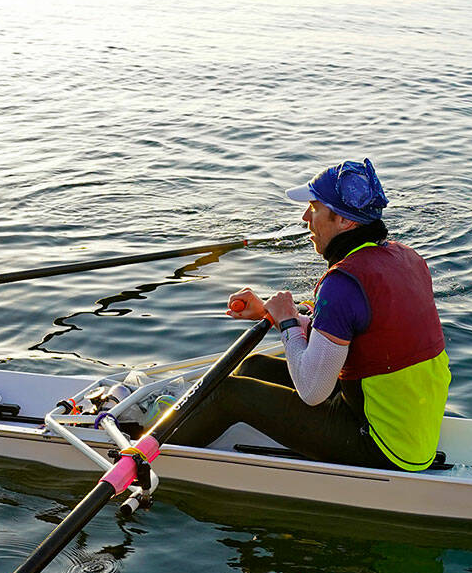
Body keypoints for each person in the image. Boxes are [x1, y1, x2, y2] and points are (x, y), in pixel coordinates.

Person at [176, 158, 450, 470]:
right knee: (253, 366)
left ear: (344, 222)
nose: (306, 218)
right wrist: (271, 311)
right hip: (404, 423)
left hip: (381, 446)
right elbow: (358, 326)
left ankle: (156, 454)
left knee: (229, 394)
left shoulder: (342, 283)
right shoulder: (405, 258)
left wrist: (287, 322)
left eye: (315, 208)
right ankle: (194, 426)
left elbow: (312, 391)